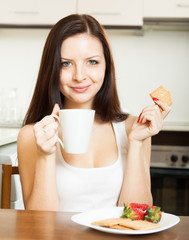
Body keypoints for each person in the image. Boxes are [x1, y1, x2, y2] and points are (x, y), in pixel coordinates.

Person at [17, 14, 170, 212]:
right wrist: (45, 155)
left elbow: (136, 214)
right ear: (51, 69)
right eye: (66, 63)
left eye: (92, 62)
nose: (79, 76)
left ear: (106, 66)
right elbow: (40, 224)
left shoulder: (134, 128)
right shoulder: (33, 135)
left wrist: (135, 143)